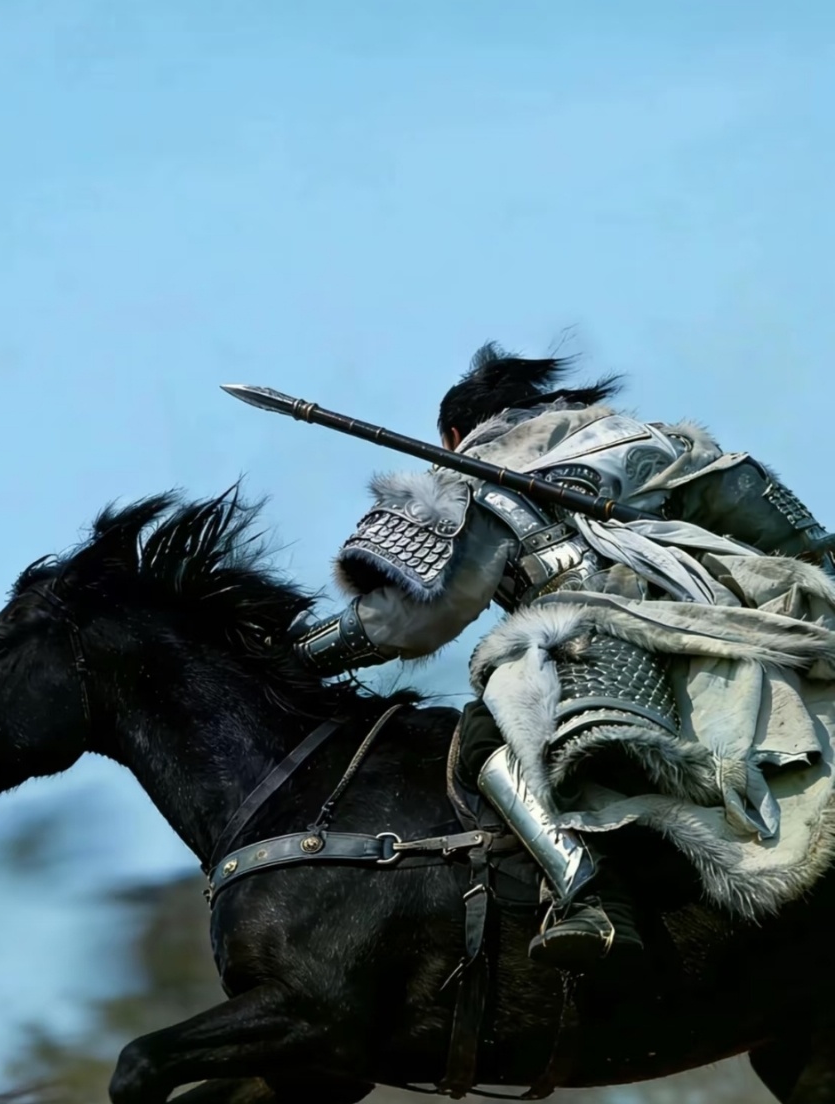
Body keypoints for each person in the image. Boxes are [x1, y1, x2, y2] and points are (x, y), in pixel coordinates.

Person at [290, 343, 835, 971]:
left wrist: (300, 652)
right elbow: (792, 536)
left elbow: (424, 615)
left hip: (588, 633)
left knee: (484, 736)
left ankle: (592, 897)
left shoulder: (472, 476)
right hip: (728, 621)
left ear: (455, 435)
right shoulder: (656, 440)